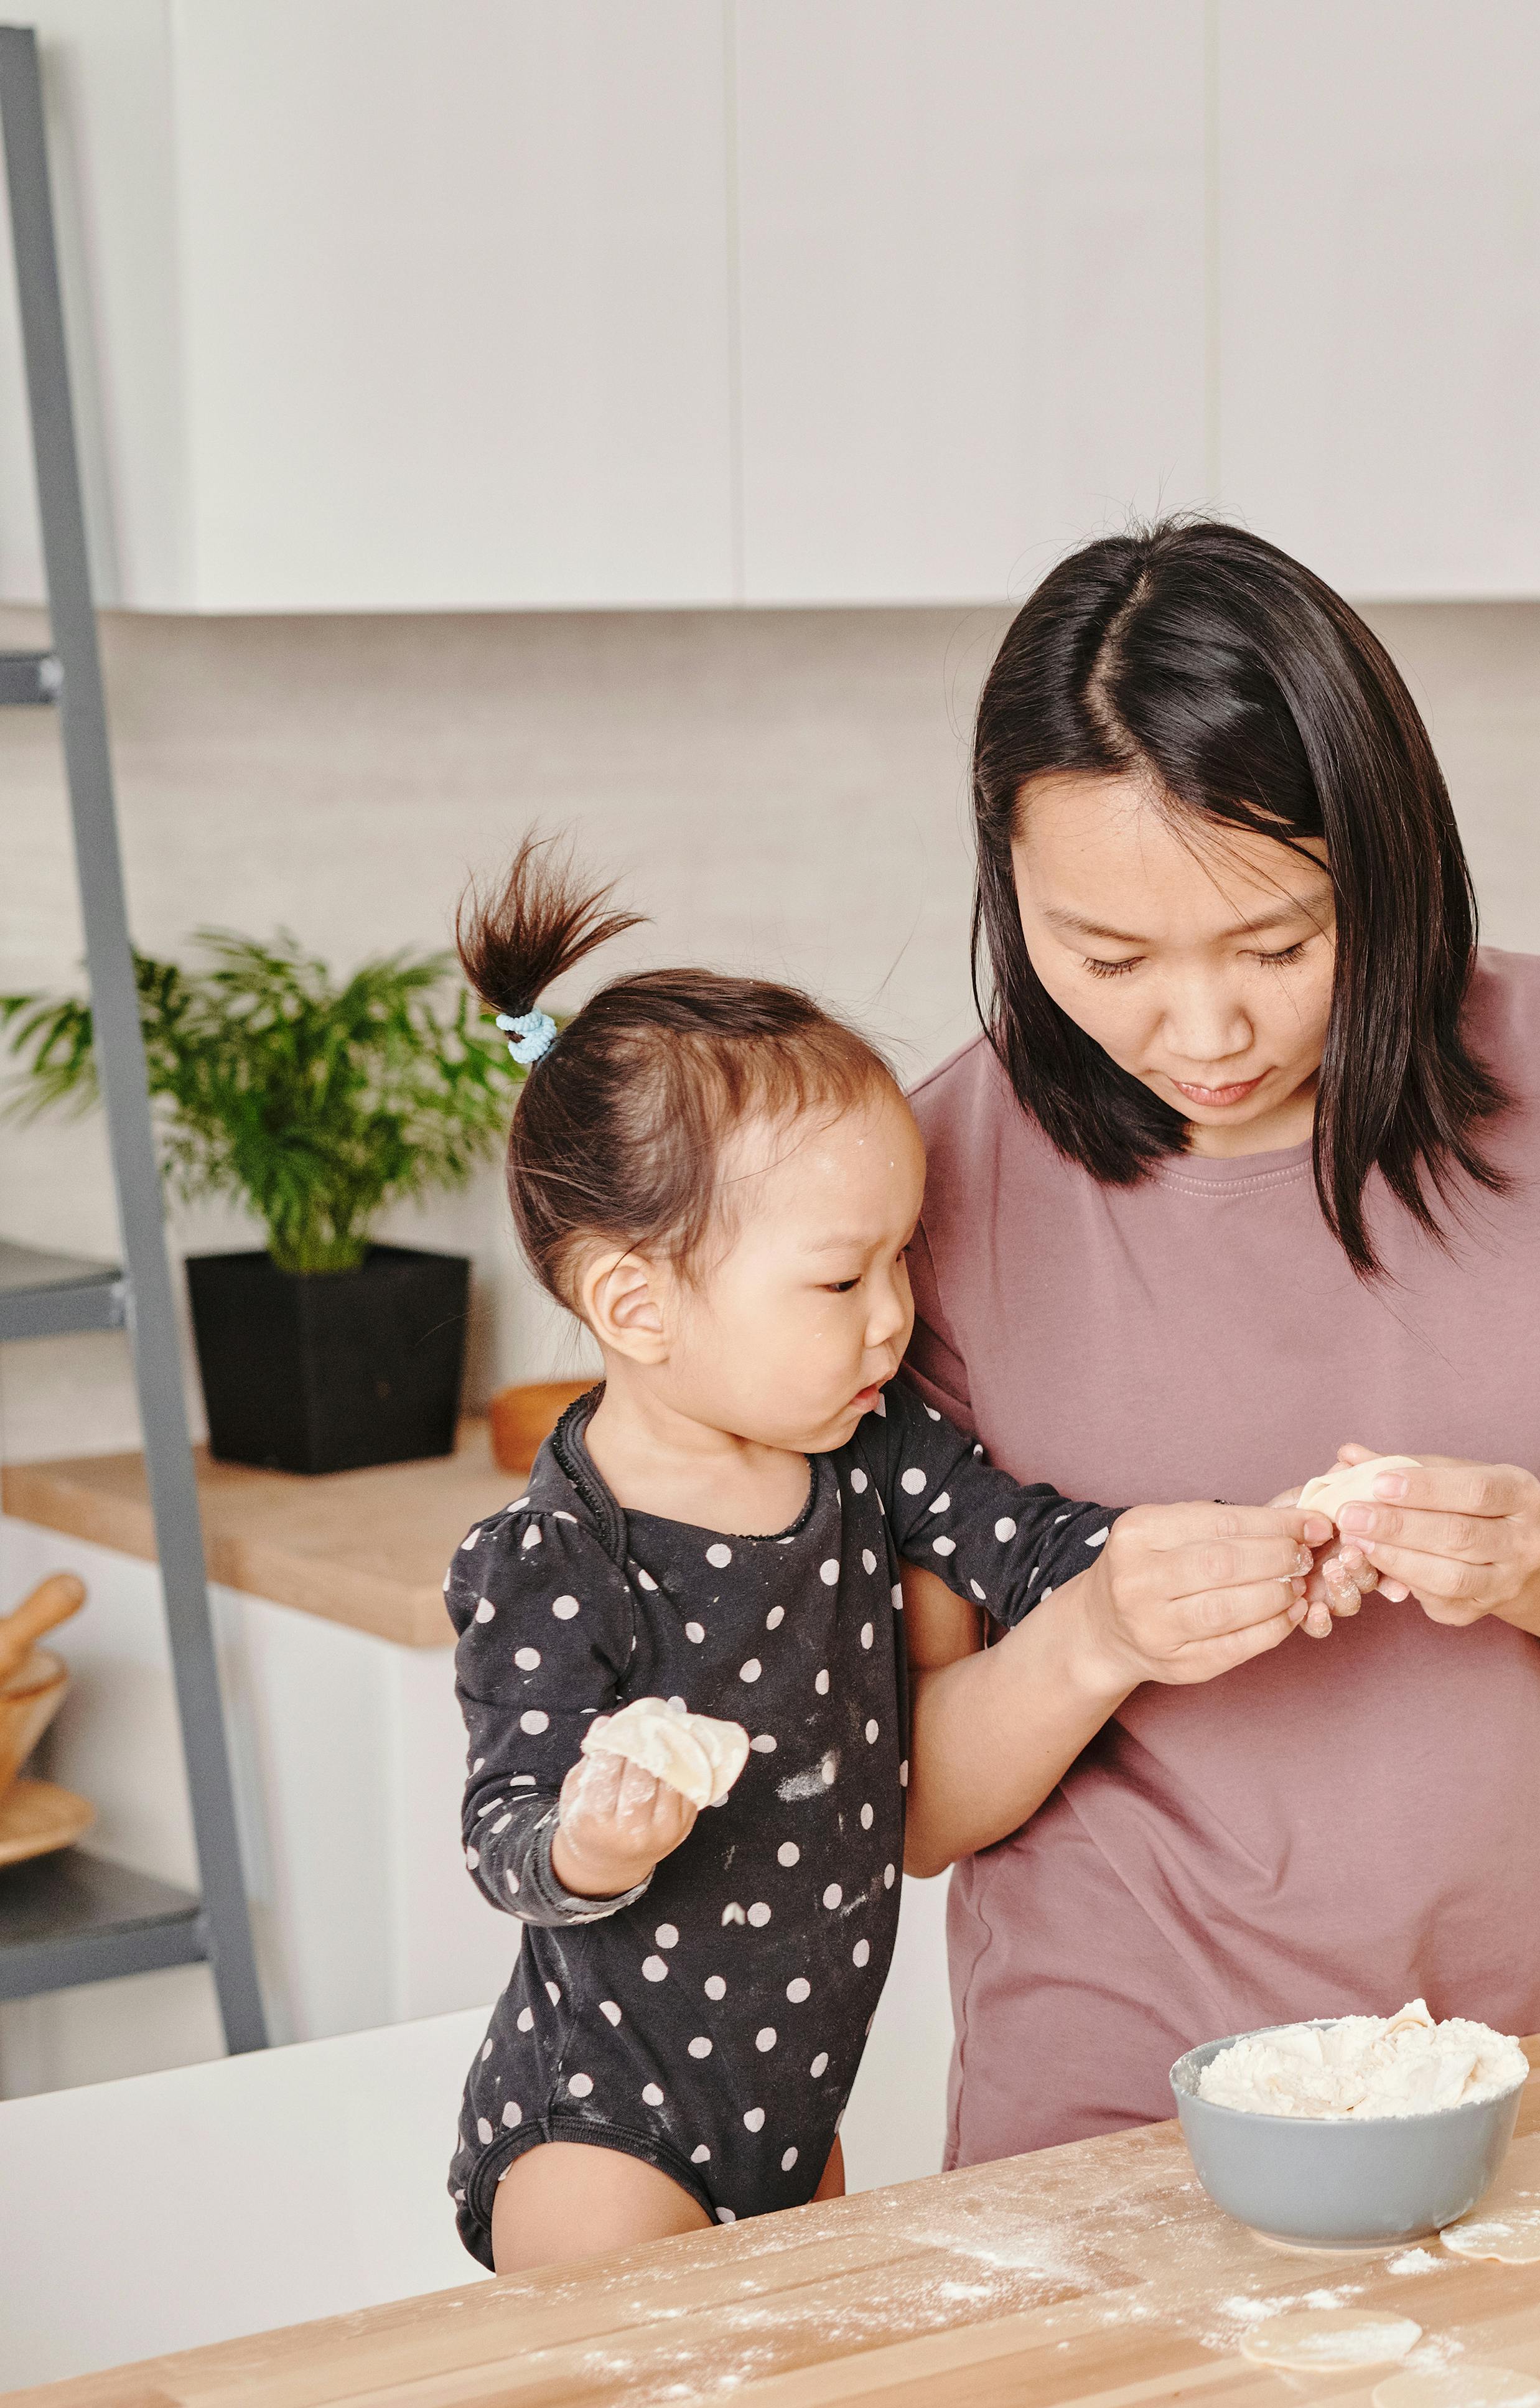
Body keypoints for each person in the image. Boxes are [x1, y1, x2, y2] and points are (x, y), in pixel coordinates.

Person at [894, 520, 1540, 2167]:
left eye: (1280, 944)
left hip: (1539, 2061)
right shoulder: (935, 1175)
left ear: (1387, 858)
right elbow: (921, 1801)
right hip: (1108, 2120)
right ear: (1011, 891)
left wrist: (1534, 1552)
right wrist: (1100, 1632)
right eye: (1109, 958)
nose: (1206, 1029)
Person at [441, 842, 1321, 2270]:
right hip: (602, 2129)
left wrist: (1206, 1552)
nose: (893, 1314)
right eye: (842, 1277)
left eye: (904, 1257)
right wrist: (597, 1836)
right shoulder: (553, 1555)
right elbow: (509, 1836)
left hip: (797, 2112)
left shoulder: (874, 1456)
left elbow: (1033, 1544)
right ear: (634, 1301)